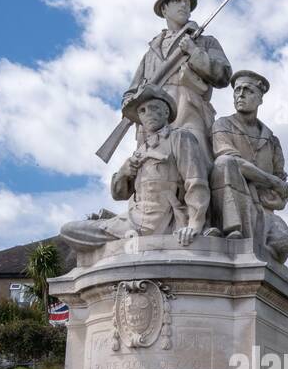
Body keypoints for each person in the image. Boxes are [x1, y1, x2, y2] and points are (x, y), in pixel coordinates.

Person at [60, 85, 210, 252]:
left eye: (153, 108)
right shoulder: (140, 151)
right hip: (133, 220)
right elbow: (119, 195)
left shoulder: (180, 138)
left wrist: (195, 224)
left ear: (166, 112)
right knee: (69, 230)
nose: (147, 114)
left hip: (163, 219)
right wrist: (123, 173)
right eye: (142, 111)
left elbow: (195, 181)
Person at [124, 0, 232, 159]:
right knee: (153, 172)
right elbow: (131, 92)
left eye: (187, 2)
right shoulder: (151, 51)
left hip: (189, 108)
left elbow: (224, 75)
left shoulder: (205, 42)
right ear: (164, 9)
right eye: (176, 1)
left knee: (197, 164)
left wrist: (194, 52)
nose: (184, 5)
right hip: (152, 116)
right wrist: (132, 104)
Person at [210, 69, 288, 264]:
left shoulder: (271, 139)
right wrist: (272, 181)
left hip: (263, 209)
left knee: (283, 244)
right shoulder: (222, 125)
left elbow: (280, 188)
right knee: (225, 163)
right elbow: (233, 162)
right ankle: (233, 231)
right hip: (230, 203)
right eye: (237, 90)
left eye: (247, 90)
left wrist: (283, 188)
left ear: (260, 98)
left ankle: (257, 249)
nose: (240, 95)